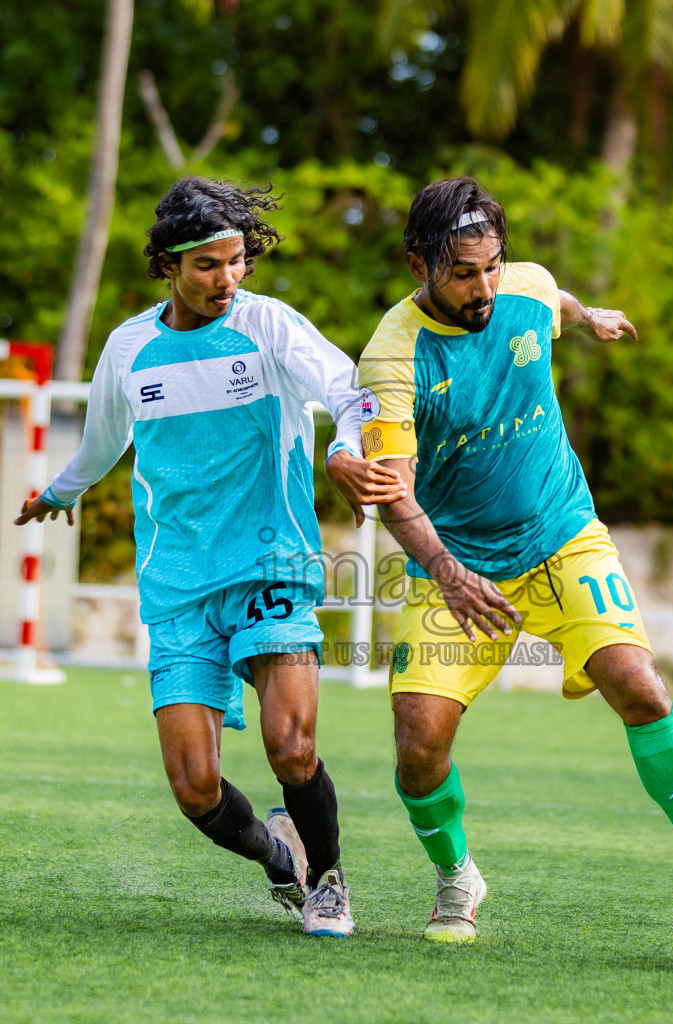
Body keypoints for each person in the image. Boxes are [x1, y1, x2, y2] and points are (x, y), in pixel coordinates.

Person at [357, 176, 673, 950]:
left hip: (562, 532)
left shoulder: (524, 289)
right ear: (416, 267)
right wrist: (448, 571)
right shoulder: (390, 360)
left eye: (492, 265)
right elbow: (393, 492)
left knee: (639, 685)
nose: (484, 286)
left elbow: (550, 294)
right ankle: (457, 877)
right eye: (463, 273)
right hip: (454, 565)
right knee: (417, 740)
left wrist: (586, 315)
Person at [15, 176, 405, 938]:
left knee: (291, 748)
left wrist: (342, 448)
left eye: (235, 262)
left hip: (272, 564)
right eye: (206, 266)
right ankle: (277, 859)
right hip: (179, 583)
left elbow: (352, 390)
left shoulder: (269, 326)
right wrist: (61, 490)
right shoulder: (131, 346)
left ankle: (328, 880)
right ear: (167, 264)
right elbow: (103, 440)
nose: (225, 279)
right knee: (194, 787)